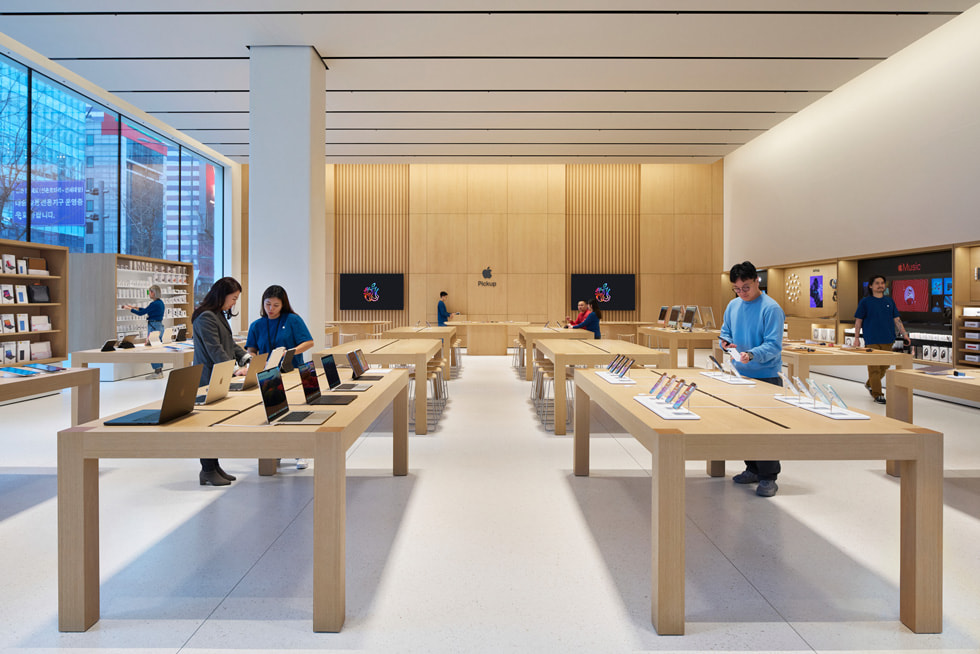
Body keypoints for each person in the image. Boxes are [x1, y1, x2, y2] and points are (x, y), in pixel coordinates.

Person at [719, 260, 785, 497]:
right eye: (737, 289)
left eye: (746, 287)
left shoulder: (771, 308)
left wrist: (751, 354)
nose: (742, 292)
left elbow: (774, 345)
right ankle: (752, 468)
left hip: (765, 376)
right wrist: (725, 344)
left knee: (765, 428)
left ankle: (768, 477)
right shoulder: (733, 305)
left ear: (757, 281)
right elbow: (724, 332)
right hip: (739, 375)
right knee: (744, 426)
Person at [246, 285, 315, 470]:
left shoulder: (292, 319)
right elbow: (251, 348)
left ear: (283, 305)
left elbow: (309, 342)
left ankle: (301, 452)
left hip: (291, 372)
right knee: (272, 414)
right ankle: (274, 452)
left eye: (276, 305)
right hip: (268, 375)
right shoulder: (257, 325)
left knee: (295, 412)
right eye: (268, 304)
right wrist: (252, 358)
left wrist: (290, 352)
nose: (271, 309)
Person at [192, 277, 250, 487]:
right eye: (233, 298)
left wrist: (246, 358)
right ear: (222, 294)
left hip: (219, 377)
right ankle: (207, 469)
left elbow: (229, 344)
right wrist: (235, 370)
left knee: (215, 424)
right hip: (208, 379)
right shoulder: (205, 317)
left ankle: (214, 466)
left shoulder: (216, 315)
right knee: (207, 424)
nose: (234, 303)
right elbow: (215, 349)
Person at [853, 275, 911, 404]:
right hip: (872, 339)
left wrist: (904, 334)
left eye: (882, 283)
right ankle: (878, 394)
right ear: (871, 286)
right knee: (874, 368)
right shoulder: (865, 302)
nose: (880, 285)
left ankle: (870, 384)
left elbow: (897, 319)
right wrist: (856, 338)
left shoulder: (890, 302)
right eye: (877, 283)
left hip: (888, 339)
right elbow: (858, 321)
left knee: (884, 367)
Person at [123, 284, 165, 379]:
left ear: (153, 293)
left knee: (151, 349)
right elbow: (147, 310)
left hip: (153, 327)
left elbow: (142, 313)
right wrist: (135, 307)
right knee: (157, 349)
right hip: (158, 326)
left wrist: (130, 309)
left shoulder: (154, 304)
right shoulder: (160, 303)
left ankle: (157, 371)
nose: (149, 294)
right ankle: (159, 371)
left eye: (149, 292)